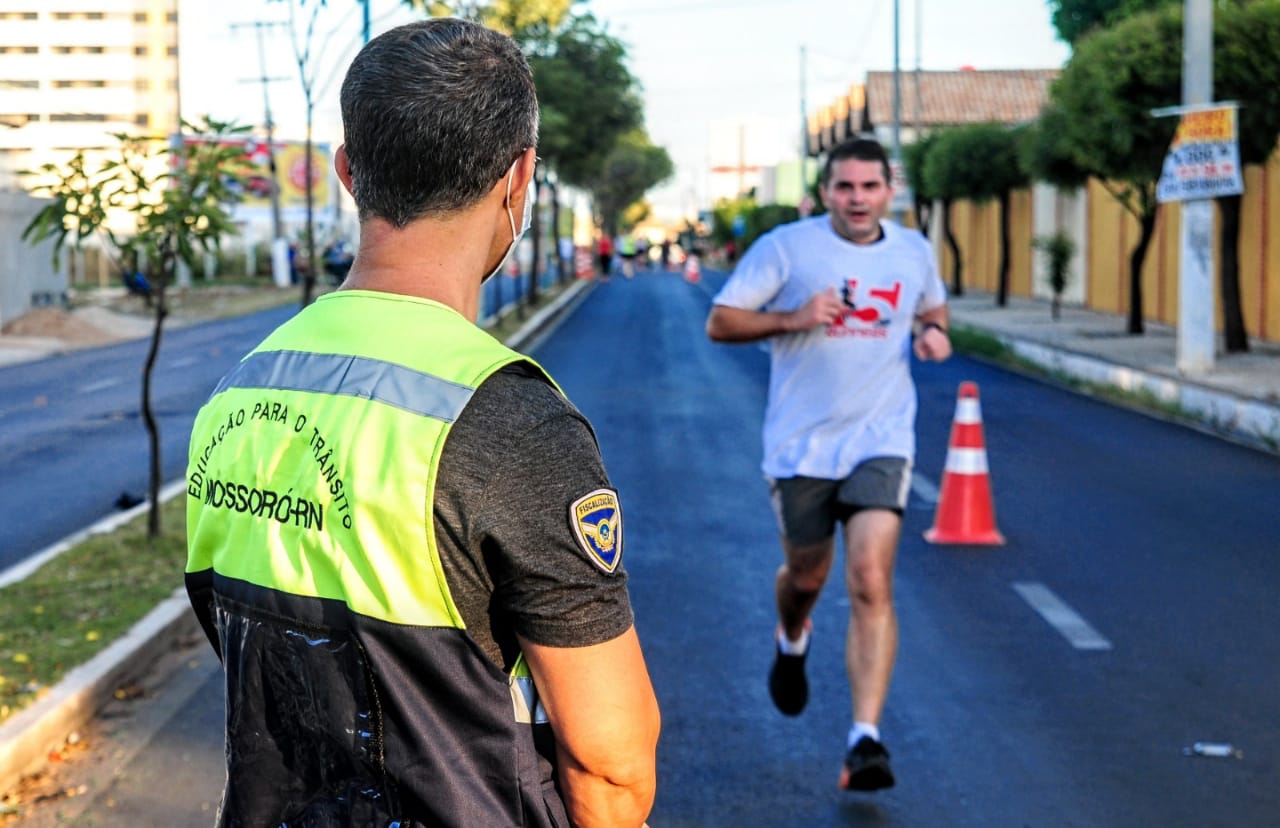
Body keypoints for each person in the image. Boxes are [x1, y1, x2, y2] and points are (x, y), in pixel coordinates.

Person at [185, 19, 660, 828]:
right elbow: (611, 765)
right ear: (520, 179)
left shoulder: (238, 393)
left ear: (345, 171)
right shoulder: (512, 423)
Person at [705, 136, 950, 793]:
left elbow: (931, 306)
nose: (858, 199)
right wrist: (795, 317)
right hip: (800, 445)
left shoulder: (912, 250)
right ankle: (792, 634)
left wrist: (933, 333)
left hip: (881, 436)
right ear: (825, 193)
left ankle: (864, 739)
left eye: (870, 186)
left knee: (870, 577)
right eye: (845, 187)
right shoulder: (788, 247)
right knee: (808, 574)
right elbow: (721, 322)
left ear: (888, 189)